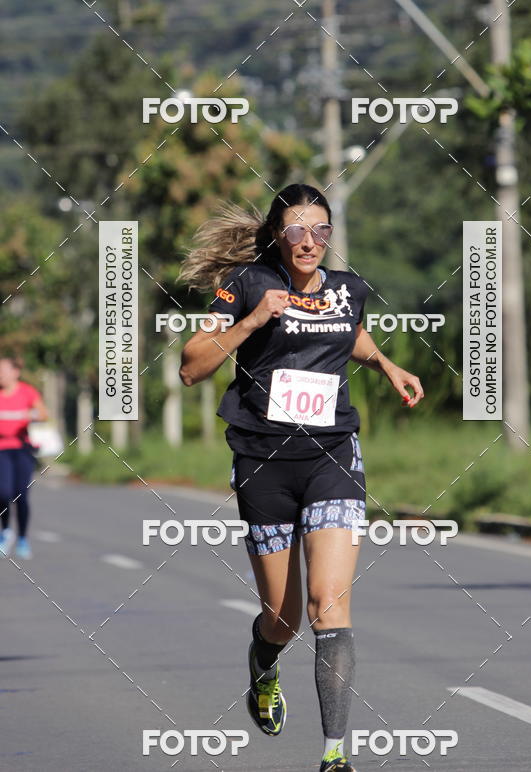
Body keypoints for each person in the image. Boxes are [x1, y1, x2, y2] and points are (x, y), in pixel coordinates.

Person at [178, 184, 424, 771]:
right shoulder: (245, 286)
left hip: (332, 454)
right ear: (278, 234)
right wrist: (253, 321)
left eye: (321, 230)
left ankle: (335, 754)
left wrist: (386, 363)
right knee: (284, 619)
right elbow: (192, 366)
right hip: (263, 460)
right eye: (296, 229)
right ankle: (263, 666)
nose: (309, 241)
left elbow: (348, 333)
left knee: (328, 605)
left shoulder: (348, 289)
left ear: (330, 236)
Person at [0, 355, 49, 559]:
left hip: (22, 449)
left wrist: (31, 415)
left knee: (21, 495)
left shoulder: (27, 392)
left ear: (15, 372)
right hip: (1, 449)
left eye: (3, 370)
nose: (0, 374)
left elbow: (44, 413)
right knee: (3, 493)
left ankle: (22, 538)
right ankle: (5, 532)